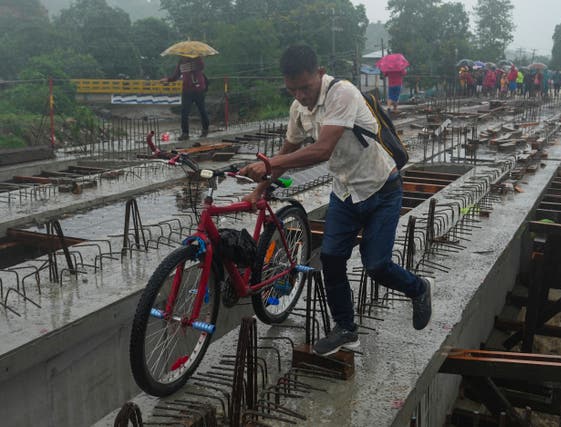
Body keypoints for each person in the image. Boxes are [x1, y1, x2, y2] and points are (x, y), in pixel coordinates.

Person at [239, 45, 433, 356]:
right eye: (293, 90)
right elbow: (286, 155)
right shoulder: (298, 109)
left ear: (319, 73)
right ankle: (345, 329)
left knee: (377, 264)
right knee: (330, 257)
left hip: (381, 189)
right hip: (344, 192)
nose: (301, 95)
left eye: (305, 87)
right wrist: (260, 189)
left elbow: (323, 149)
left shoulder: (341, 93)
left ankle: (418, 288)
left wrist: (269, 165)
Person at [161, 56, 209, 141]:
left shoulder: (197, 59)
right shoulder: (181, 62)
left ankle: (205, 130)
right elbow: (176, 76)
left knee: (202, 110)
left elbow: (202, 67)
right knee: (184, 112)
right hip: (186, 90)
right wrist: (167, 80)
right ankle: (185, 133)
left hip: (198, 89)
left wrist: (194, 60)